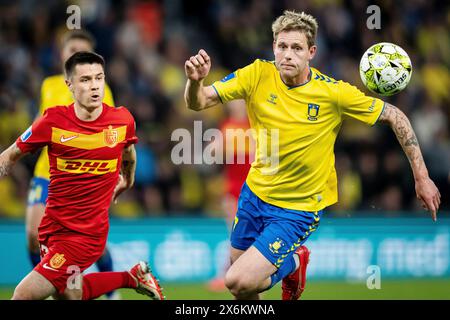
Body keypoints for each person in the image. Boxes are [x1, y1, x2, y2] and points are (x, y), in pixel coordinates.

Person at [184, 10, 441, 300]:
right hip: (254, 194)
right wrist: (195, 82)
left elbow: (396, 116)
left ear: (311, 52)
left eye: (296, 48)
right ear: (273, 48)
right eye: (282, 46)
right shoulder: (256, 74)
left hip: (297, 209)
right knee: (245, 291)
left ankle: (295, 261)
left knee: (237, 281)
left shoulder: (333, 93)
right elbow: (199, 102)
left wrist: (422, 177)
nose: (288, 55)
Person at [0, 51, 164, 300]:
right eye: (85, 80)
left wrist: (127, 179)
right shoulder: (52, 121)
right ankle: (131, 278)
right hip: (52, 228)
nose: (94, 85)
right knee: (71, 295)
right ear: (70, 85)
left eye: (99, 78)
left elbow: (129, 153)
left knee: (23, 295)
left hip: (85, 236)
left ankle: (130, 278)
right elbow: (9, 155)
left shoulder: (121, 120)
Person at [26, 30, 118, 299]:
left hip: (83, 176)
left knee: (91, 243)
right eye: (71, 50)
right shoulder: (49, 84)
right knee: (33, 235)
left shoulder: (100, 89)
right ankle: (53, 286)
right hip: (47, 173)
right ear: (62, 55)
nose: (76, 54)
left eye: (82, 52)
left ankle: (113, 292)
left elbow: (108, 130)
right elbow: (39, 121)